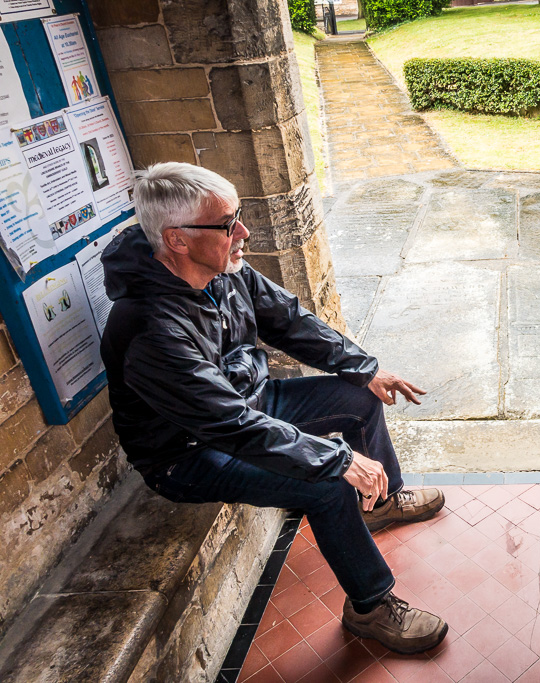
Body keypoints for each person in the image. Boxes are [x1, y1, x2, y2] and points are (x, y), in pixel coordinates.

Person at [100, 162, 447, 654]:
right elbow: (231, 426)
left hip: (250, 404)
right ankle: (370, 607)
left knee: (359, 398)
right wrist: (341, 460)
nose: (243, 232)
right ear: (177, 239)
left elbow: (288, 319)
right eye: (227, 224)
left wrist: (364, 368)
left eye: (238, 215)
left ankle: (381, 503)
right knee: (327, 483)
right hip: (190, 452)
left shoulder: (223, 269)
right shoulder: (151, 329)